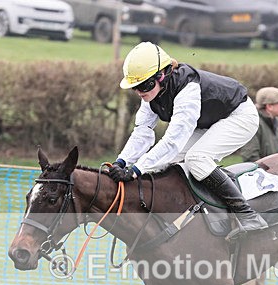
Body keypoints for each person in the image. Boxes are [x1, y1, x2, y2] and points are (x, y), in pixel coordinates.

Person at [111, 42, 267, 241]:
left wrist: (135, 170)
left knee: (197, 158)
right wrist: (121, 162)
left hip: (239, 116)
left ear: (162, 76)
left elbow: (173, 141)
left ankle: (247, 215)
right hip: (210, 121)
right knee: (170, 162)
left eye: (144, 85)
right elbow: (142, 132)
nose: (140, 92)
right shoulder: (152, 93)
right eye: (135, 87)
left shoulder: (187, 88)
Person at [238, 86, 278, 285]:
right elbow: (250, 156)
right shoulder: (256, 123)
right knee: (257, 235)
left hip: (268, 183)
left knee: (268, 235)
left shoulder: (273, 123)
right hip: (256, 184)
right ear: (269, 106)